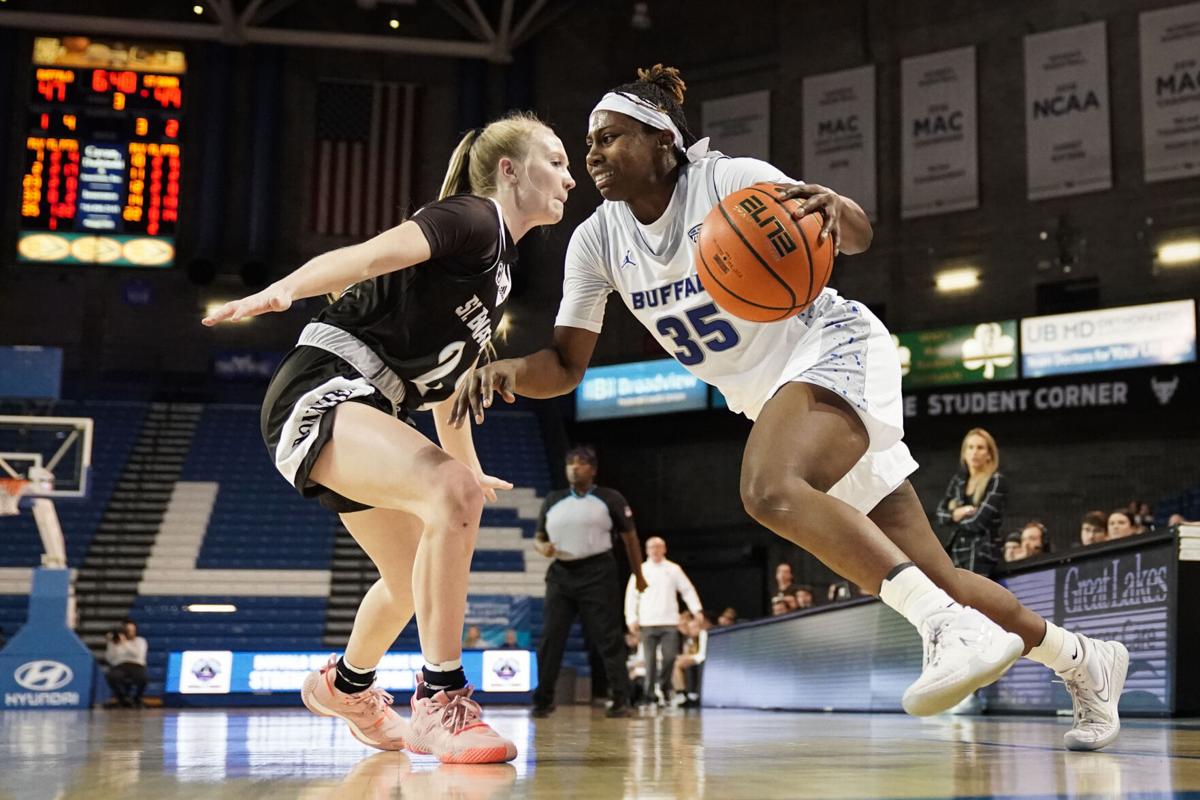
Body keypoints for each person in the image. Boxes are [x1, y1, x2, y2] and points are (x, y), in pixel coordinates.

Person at [450, 64, 1127, 751]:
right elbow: (565, 367)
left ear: (662, 141)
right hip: (776, 399)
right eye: (590, 141)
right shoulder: (597, 241)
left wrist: (837, 209)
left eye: (609, 137)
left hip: (833, 346)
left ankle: (946, 628)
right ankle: (1085, 660)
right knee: (938, 576)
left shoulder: (728, 181)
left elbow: (854, 235)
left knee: (768, 488)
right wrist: (507, 371)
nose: (592, 153)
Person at [203, 111, 575, 763]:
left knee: (409, 581)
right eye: (556, 160)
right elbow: (368, 255)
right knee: (448, 495)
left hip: (374, 407)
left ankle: (345, 687)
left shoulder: (498, 273)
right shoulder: (473, 218)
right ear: (510, 171)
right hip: (323, 388)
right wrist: (286, 289)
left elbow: (448, 391)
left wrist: (468, 467)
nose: (570, 178)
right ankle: (440, 699)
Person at [529, 445, 647, 718]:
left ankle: (621, 699)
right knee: (551, 638)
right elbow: (539, 537)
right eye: (570, 463)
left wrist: (639, 575)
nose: (574, 468)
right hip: (561, 574)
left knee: (608, 638)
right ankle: (543, 700)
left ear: (593, 470)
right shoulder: (553, 499)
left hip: (598, 572)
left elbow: (630, 538)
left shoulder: (610, 498)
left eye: (581, 463)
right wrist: (542, 547)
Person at [625, 536, 703, 705]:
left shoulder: (673, 569)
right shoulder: (641, 570)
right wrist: (631, 618)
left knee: (669, 657)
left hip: (669, 622)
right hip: (647, 622)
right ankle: (649, 695)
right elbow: (631, 597)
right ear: (647, 550)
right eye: (652, 547)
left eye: (658, 547)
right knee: (649, 661)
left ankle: (665, 687)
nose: (655, 550)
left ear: (664, 549)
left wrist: (696, 609)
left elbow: (687, 590)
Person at [936, 429, 1008, 576]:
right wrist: (961, 512)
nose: (974, 452)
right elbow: (940, 516)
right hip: (956, 552)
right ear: (964, 453)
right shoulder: (958, 481)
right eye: (970, 447)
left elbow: (978, 522)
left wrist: (953, 517)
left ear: (989, 454)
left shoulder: (996, 480)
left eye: (980, 448)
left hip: (982, 554)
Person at [104, 618, 148, 708]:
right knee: (112, 676)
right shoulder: (116, 642)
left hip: (136, 665)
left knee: (143, 678)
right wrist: (111, 644)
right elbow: (110, 658)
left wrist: (125, 643)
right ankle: (123, 699)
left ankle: (137, 698)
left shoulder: (140, 641)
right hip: (120, 666)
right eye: (128, 630)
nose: (130, 632)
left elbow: (137, 654)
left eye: (132, 630)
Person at [671, 615, 708, 708]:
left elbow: (702, 654)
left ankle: (687, 694)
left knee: (678, 664)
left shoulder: (703, 634)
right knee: (675, 663)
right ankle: (681, 694)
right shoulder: (689, 639)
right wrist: (685, 657)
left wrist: (687, 657)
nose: (693, 630)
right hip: (694, 659)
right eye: (691, 628)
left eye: (695, 627)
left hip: (703, 660)